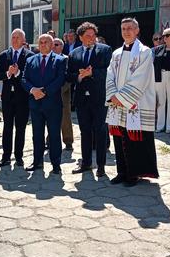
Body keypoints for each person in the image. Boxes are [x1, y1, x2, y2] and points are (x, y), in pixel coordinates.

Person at [106, 18, 159, 187]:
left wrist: (121, 98)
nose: (126, 31)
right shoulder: (116, 53)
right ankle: (121, 171)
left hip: (137, 102)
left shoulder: (145, 52)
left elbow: (140, 78)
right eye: (123, 28)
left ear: (137, 31)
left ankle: (133, 174)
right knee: (119, 136)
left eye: (130, 28)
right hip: (118, 103)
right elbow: (110, 75)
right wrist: (113, 95)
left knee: (134, 139)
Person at [67, 22, 112, 177]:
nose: (91, 38)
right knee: (84, 131)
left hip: (99, 98)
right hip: (81, 99)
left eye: (93, 35)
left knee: (100, 131)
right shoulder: (74, 53)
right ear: (80, 37)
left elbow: (109, 72)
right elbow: (69, 74)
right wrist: (79, 76)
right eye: (88, 36)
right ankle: (86, 163)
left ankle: (101, 166)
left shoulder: (105, 50)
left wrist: (92, 74)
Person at [22, 34, 66, 174]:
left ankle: (56, 164)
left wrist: (44, 92)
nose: (42, 44)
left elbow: (60, 80)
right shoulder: (30, 60)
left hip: (53, 105)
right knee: (37, 135)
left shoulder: (60, 60)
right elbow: (24, 79)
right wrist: (32, 90)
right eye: (40, 42)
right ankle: (37, 162)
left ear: (52, 44)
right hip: (35, 104)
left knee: (54, 135)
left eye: (46, 42)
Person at [0, 29, 33, 167]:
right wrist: (8, 73)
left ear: (23, 40)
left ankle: (19, 156)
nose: (15, 39)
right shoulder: (4, 55)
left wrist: (18, 73)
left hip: (22, 98)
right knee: (7, 128)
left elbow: (30, 77)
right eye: (13, 37)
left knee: (20, 128)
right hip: (7, 98)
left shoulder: (30, 56)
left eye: (18, 37)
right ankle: (6, 157)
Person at [53, 37, 73, 151]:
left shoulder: (67, 59)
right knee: (51, 117)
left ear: (61, 46)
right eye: (53, 44)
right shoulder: (49, 58)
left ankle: (68, 141)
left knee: (65, 117)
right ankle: (50, 139)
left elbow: (68, 77)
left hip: (63, 92)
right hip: (51, 93)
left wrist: (60, 89)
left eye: (56, 45)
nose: (54, 46)